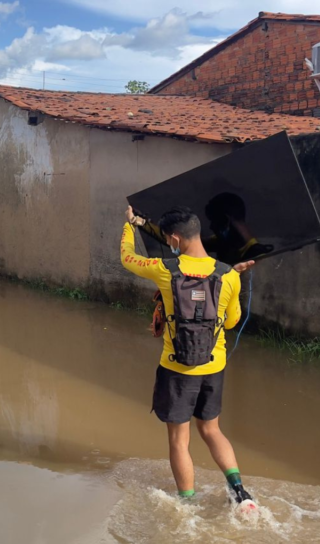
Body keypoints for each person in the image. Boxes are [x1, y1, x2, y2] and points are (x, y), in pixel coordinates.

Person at [122, 204, 256, 505]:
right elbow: (232, 321)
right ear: (197, 233)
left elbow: (126, 258)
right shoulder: (228, 275)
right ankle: (240, 492)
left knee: (179, 441)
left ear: (174, 238)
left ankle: (187, 502)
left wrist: (129, 225)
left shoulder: (163, 269)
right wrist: (231, 282)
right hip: (214, 365)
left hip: (177, 368)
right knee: (211, 429)